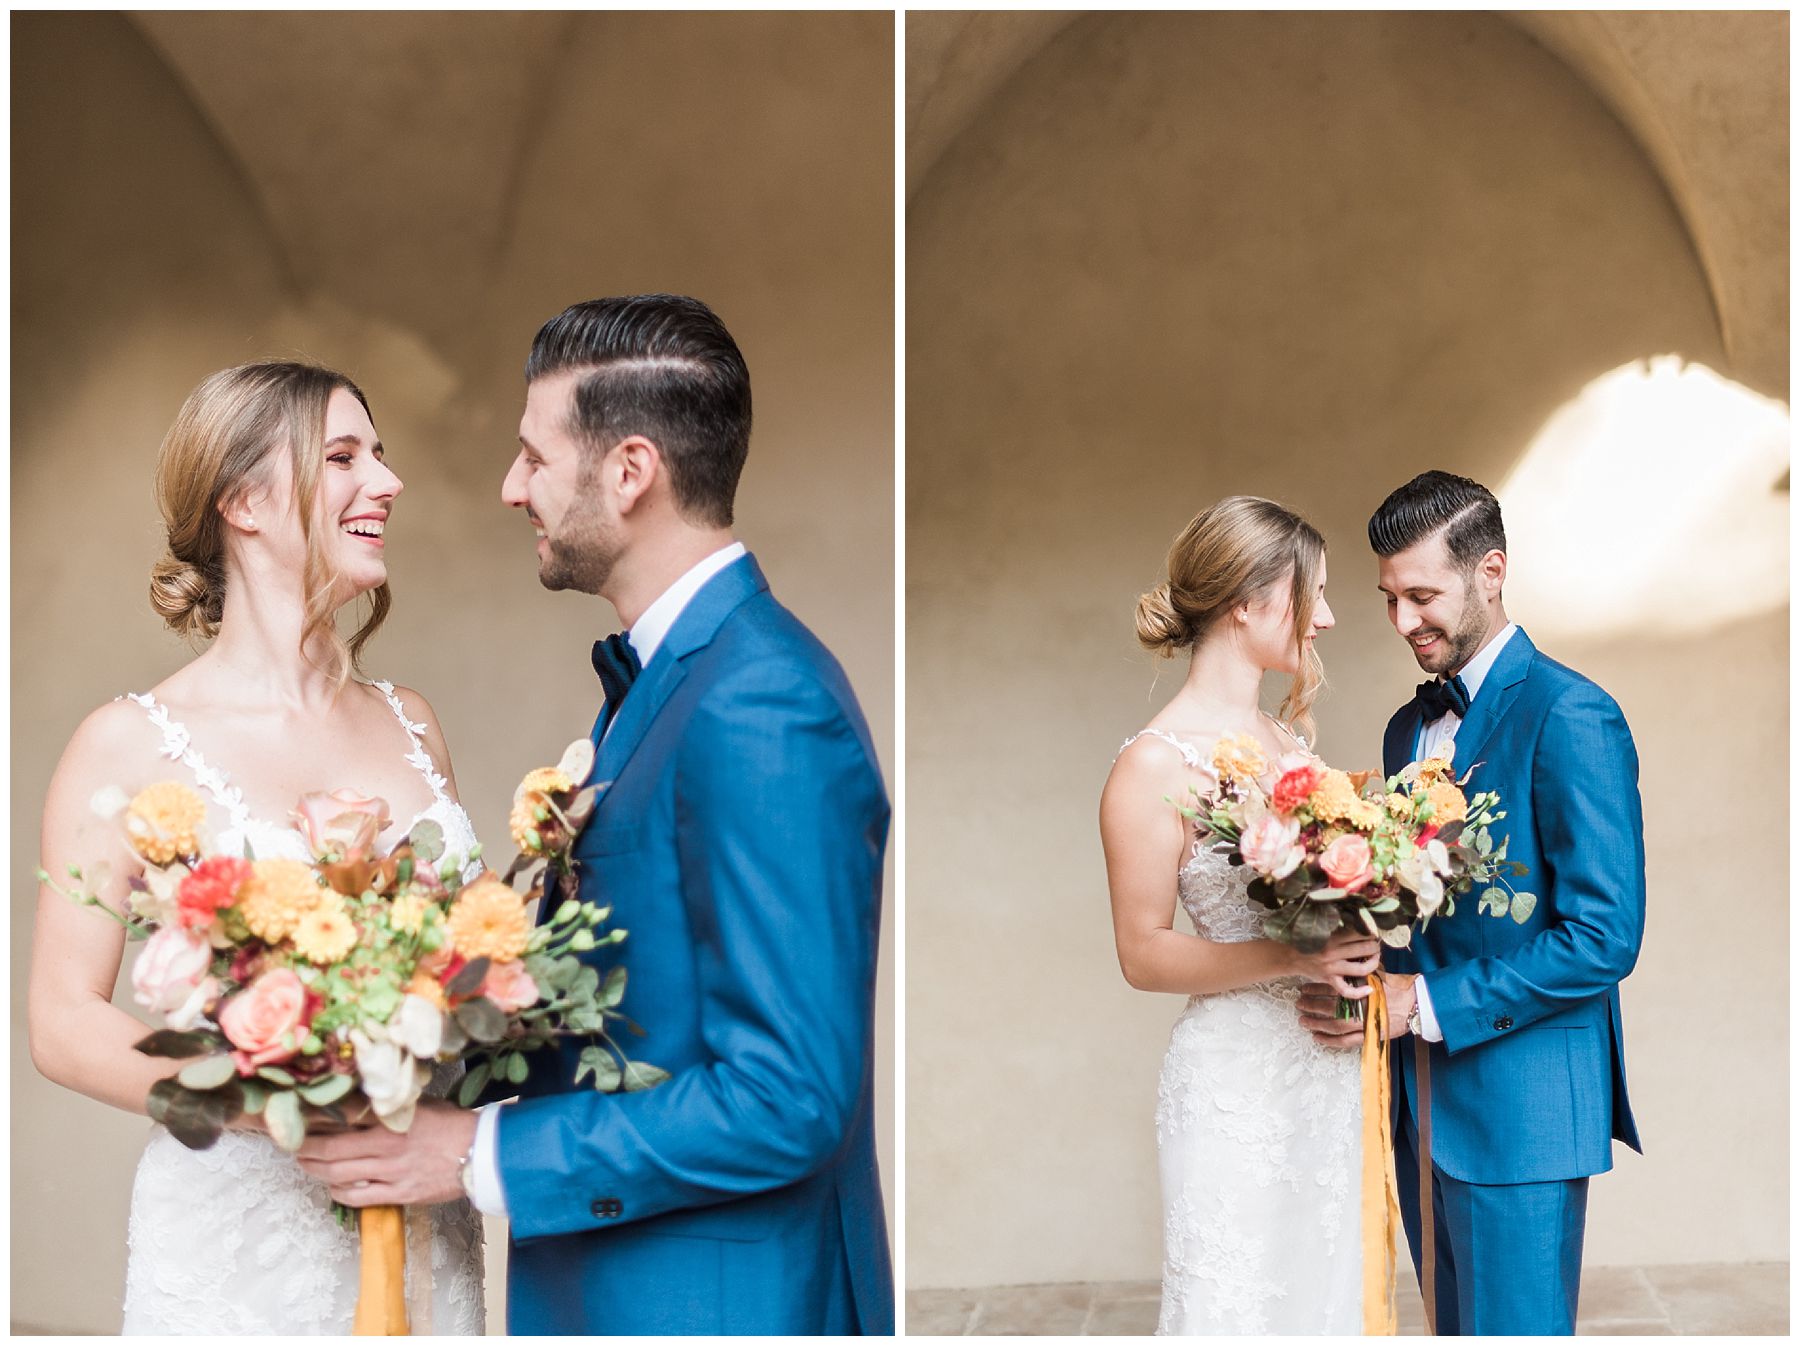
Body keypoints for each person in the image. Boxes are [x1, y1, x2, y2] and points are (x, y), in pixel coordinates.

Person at [297, 295, 894, 1335]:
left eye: (533, 457)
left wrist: (476, 1151)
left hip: (719, 1301)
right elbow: (627, 1007)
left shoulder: (762, 700)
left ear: (628, 471)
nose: (510, 487)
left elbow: (791, 1094)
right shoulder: (663, 685)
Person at [27, 361, 486, 1333]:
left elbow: (470, 958)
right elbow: (63, 1021)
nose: (387, 482)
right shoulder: (127, 741)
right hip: (239, 1244)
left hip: (418, 1218)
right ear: (243, 499)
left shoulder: (413, 722)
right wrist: (271, 1094)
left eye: (383, 455)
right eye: (344, 457)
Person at [1298, 470, 1644, 1335]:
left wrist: (1426, 1005)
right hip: (1418, 1103)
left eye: (1423, 595)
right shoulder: (1405, 728)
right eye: (1388, 599)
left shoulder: (1573, 713)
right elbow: (1419, 910)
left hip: (1522, 1107)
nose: (1404, 621)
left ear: (1490, 572)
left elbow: (1604, 936)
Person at [1100, 495, 1379, 1334]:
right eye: (1313, 593)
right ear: (1247, 601)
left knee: (1325, 1301)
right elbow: (1143, 954)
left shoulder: (1290, 745)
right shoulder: (1153, 766)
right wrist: (1297, 962)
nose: (1326, 618)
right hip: (1234, 1084)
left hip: (1325, 1069)